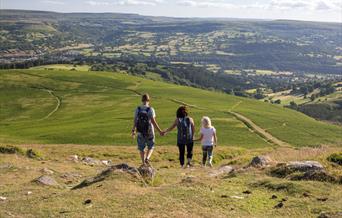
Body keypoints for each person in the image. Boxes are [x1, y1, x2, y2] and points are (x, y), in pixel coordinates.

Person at [132, 93, 163, 165]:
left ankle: (143, 163)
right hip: (149, 132)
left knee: (141, 148)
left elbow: (135, 121)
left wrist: (133, 130)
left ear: (142, 100)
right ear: (149, 100)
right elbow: (153, 122)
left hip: (140, 132)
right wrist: (160, 131)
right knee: (151, 146)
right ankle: (147, 158)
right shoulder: (150, 109)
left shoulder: (138, 109)